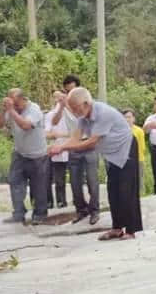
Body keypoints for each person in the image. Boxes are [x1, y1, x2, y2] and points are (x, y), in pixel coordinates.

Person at [48, 88, 142, 240]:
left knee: (127, 189)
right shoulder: (83, 117)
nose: (75, 112)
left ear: (86, 103)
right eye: (72, 109)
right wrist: (59, 147)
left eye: (76, 108)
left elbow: (91, 143)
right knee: (113, 189)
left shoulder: (102, 113)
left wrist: (63, 147)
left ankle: (131, 230)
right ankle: (117, 228)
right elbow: (76, 138)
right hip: (112, 153)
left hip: (126, 148)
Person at [0, 88, 48, 225]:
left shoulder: (34, 109)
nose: (16, 107)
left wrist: (11, 110)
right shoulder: (12, 109)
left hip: (37, 155)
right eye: (13, 104)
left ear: (23, 99)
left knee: (38, 187)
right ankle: (18, 213)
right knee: (15, 183)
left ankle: (40, 214)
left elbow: (25, 125)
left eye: (17, 104)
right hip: (19, 153)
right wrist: (3, 110)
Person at [51, 75, 100, 225]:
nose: (69, 94)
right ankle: (81, 210)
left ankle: (94, 210)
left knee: (92, 180)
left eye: (72, 91)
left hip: (89, 145)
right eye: (67, 91)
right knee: (74, 182)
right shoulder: (65, 105)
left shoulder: (86, 104)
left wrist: (66, 103)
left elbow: (79, 115)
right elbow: (54, 121)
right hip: (73, 145)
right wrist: (60, 105)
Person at [44, 91, 70, 208]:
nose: (59, 100)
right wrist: (63, 135)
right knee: (53, 179)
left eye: (61, 97)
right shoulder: (50, 115)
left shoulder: (72, 114)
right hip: (54, 149)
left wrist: (59, 134)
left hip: (70, 149)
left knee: (66, 180)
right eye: (57, 97)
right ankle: (54, 203)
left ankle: (66, 203)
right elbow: (47, 134)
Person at [123, 109, 147, 193]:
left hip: (138, 159)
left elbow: (142, 147)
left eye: (129, 117)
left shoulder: (139, 131)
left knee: (139, 180)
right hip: (124, 160)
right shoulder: (120, 130)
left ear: (133, 118)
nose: (127, 119)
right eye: (125, 117)